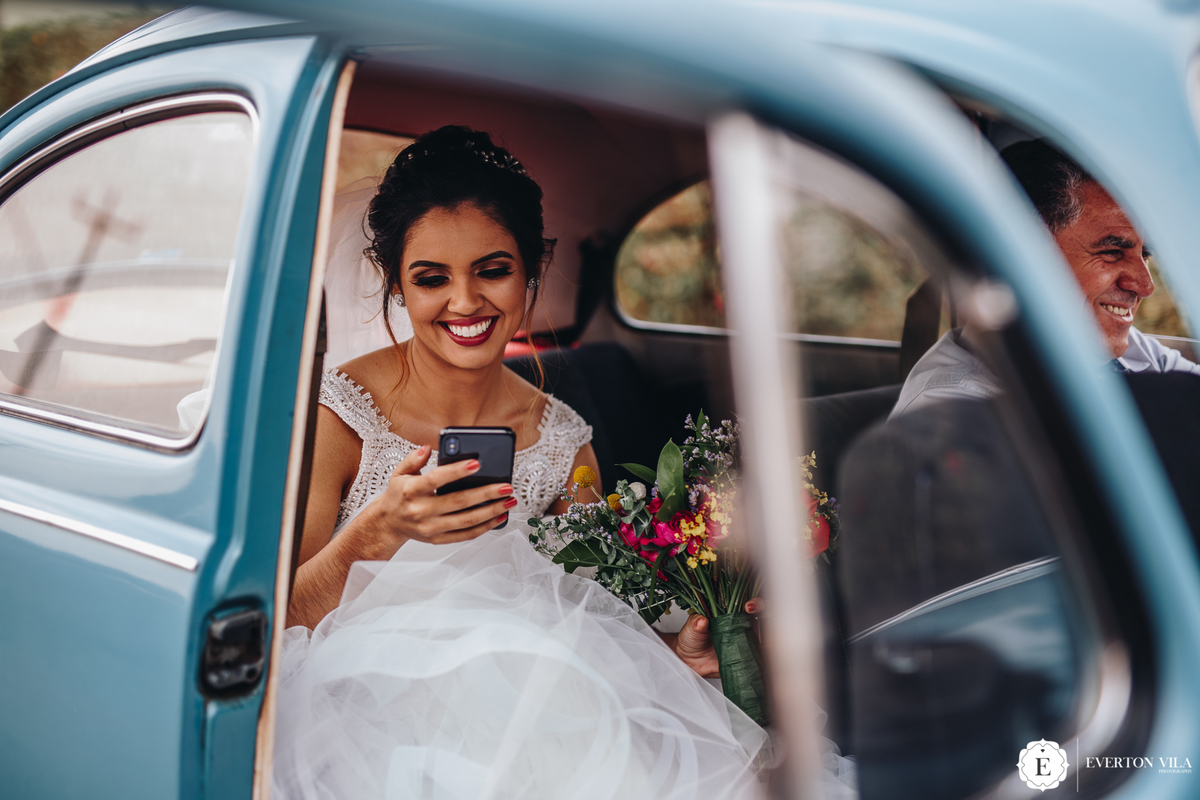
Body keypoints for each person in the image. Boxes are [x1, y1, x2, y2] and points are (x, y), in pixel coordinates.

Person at [273, 126, 859, 799]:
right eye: (432, 279)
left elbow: (591, 616)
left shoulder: (561, 437)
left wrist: (673, 656)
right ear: (398, 288)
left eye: (492, 270)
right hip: (366, 711)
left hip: (545, 709)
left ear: (531, 271)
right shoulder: (341, 416)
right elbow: (274, 623)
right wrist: (375, 533)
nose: (465, 303)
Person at [892, 139, 1200, 419]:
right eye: (1111, 252)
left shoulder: (1133, 353)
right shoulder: (955, 412)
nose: (1146, 287)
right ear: (1025, 258)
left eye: (1144, 255)